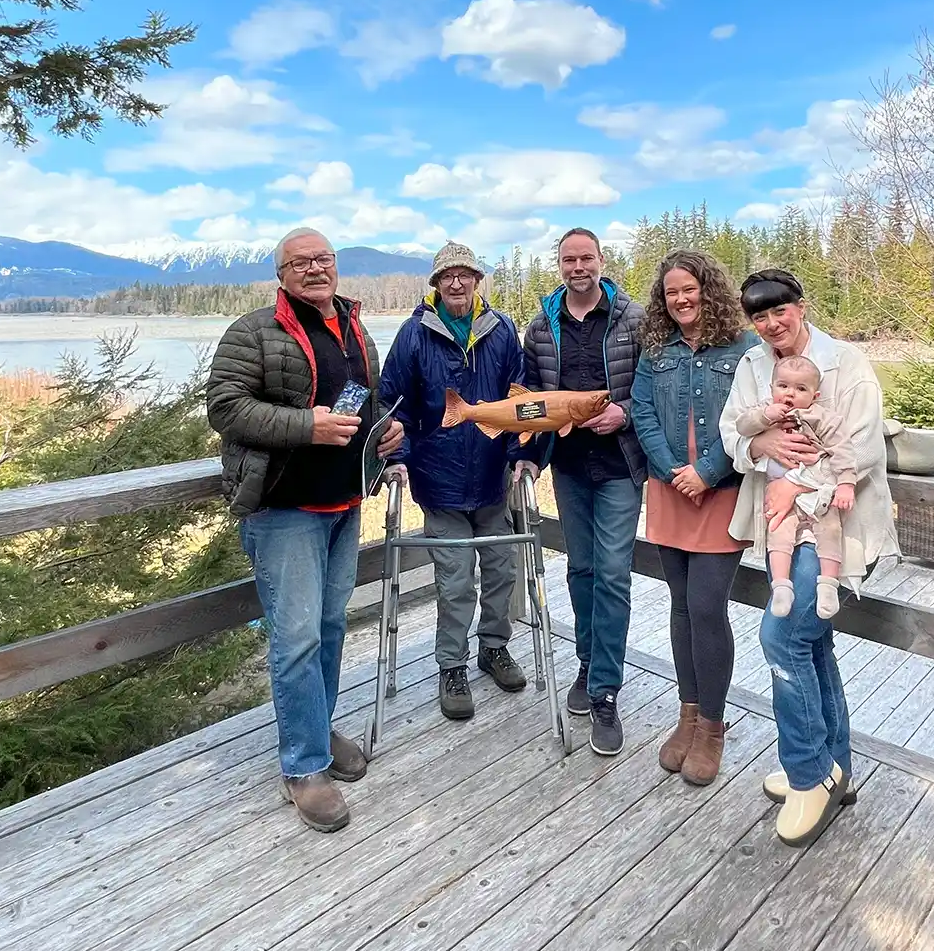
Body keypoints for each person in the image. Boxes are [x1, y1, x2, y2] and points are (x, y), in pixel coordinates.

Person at [207, 226, 404, 834]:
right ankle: (303, 767)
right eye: (301, 262)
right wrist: (304, 427)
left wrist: (385, 437)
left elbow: (360, 403)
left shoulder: (353, 328)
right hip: (284, 509)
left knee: (329, 626)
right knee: (294, 640)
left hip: (344, 503)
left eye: (323, 259)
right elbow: (224, 408)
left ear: (336, 266)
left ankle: (316, 731)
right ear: (282, 273)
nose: (314, 269)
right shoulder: (252, 331)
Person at [718, 268, 897, 850]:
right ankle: (835, 764)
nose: (771, 326)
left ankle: (808, 773)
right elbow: (731, 431)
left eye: (780, 312)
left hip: (832, 524)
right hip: (778, 528)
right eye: (760, 318)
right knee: (811, 639)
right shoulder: (753, 365)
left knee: (782, 636)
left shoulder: (846, 362)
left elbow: (863, 448)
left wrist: (795, 484)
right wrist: (758, 443)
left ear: (801, 306)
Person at [378, 241, 529, 722]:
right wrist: (397, 457)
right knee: (456, 579)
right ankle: (452, 665)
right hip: (437, 478)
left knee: (503, 569)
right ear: (437, 284)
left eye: (465, 274)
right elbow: (388, 402)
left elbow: (519, 399)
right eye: (448, 276)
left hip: (491, 477)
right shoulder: (415, 333)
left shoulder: (502, 329)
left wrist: (521, 454)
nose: (457, 283)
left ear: (477, 280)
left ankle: (493, 648)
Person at [513, 227, 645, 757]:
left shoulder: (633, 319)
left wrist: (625, 413)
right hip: (567, 467)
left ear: (600, 261)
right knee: (581, 570)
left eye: (585, 258)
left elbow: (651, 388)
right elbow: (528, 401)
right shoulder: (541, 327)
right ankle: (588, 664)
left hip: (618, 468)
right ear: (559, 266)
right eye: (568, 260)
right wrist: (523, 451)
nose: (577, 267)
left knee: (612, 575)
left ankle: (606, 689)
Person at [628, 250, 759, 786]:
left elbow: (751, 419)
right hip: (669, 491)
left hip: (720, 491)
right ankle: (686, 715)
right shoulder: (656, 348)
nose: (680, 300)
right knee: (680, 608)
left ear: (709, 290)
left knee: (707, 607)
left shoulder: (745, 348)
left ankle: (712, 727)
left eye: (690, 289)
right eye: (671, 292)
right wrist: (669, 468)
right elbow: (640, 409)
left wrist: (705, 471)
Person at [735, 355, 858, 620]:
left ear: (814, 395)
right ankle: (780, 587)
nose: (790, 394)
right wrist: (764, 416)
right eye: (783, 386)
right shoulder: (765, 412)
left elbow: (843, 452)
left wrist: (846, 484)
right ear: (771, 388)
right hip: (782, 501)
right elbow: (741, 427)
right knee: (778, 533)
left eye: (800, 389)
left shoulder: (823, 418)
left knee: (830, 530)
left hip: (817, 494)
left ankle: (828, 585)